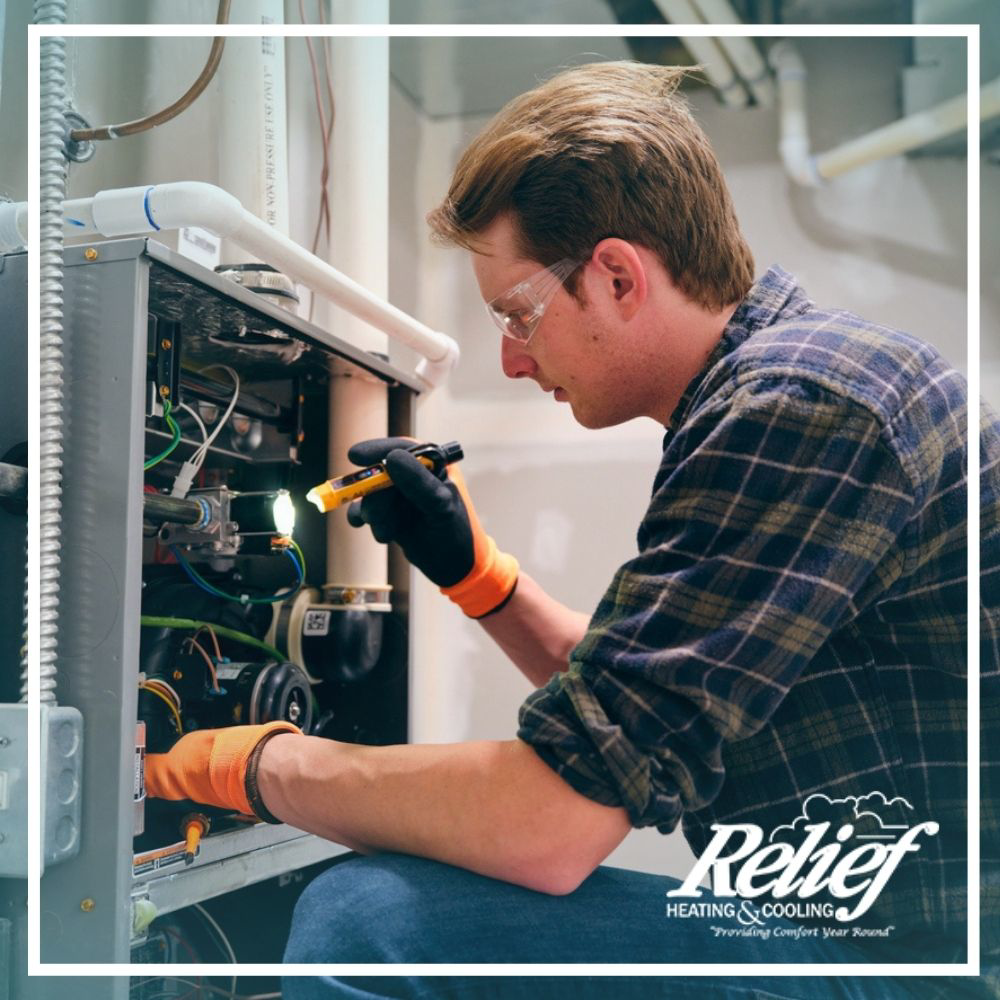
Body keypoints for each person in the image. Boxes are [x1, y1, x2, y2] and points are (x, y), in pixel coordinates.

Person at [146, 61, 999, 999]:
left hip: (919, 973)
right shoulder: (784, 388)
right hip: (869, 938)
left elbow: (548, 825)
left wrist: (253, 763)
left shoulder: (799, 407)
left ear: (619, 275)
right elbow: (635, 723)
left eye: (519, 314)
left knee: (369, 927)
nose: (512, 360)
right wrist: (481, 579)